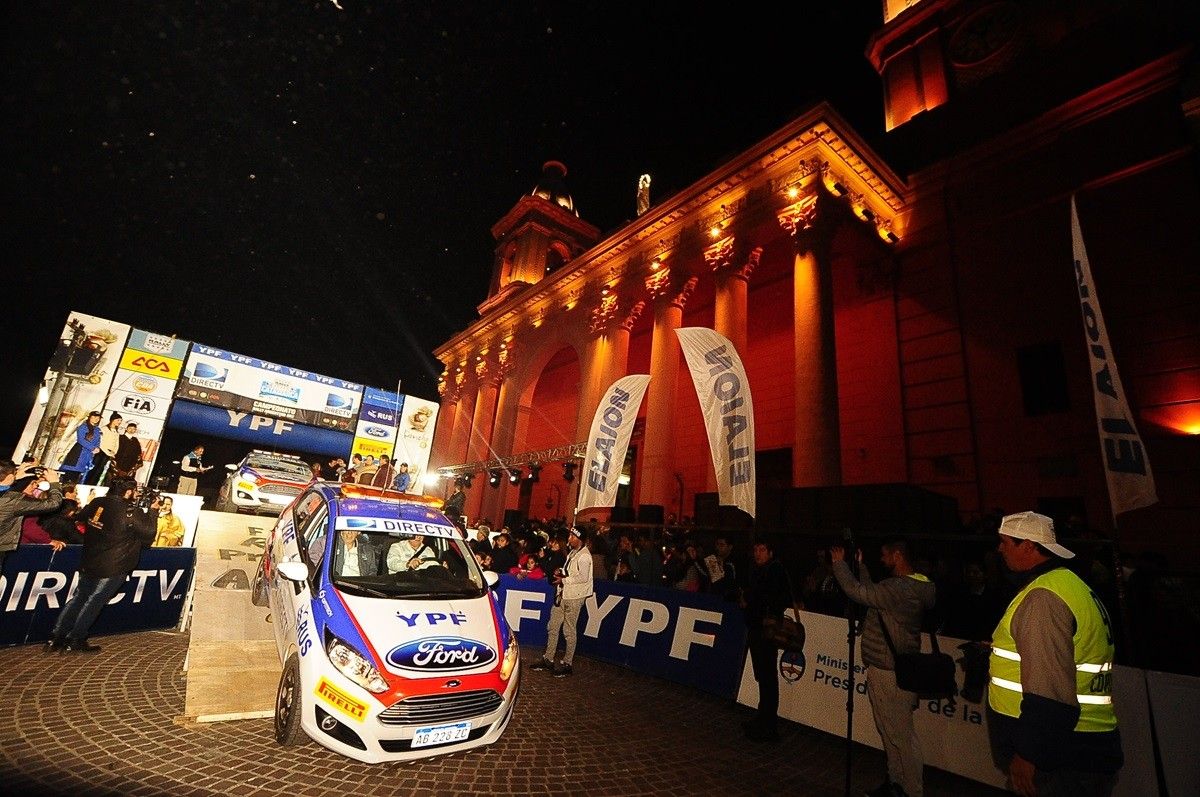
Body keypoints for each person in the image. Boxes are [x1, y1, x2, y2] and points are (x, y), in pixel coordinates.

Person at [987, 512, 1122, 797]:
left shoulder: (1043, 598)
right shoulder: (1070, 585)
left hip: (1060, 760)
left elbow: (1049, 690)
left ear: (1027, 546)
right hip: (1082, 749)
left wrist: (1029, 753)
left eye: (1005, 542)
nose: (999, 549)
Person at [831, 538, 936, 797]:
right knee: (889, 732)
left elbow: (858, 592)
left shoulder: (900, 589)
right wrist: (862, 568)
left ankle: (911, 790)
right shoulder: (908, 587)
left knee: (901, 736)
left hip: (890, 672)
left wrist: (839, 565)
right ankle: (896, 784)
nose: (882, 559)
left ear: (898, 555)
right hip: (890, 668)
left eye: (885, 554)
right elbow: (874, 596)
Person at [47, 478, 159, 654]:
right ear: (128, 492)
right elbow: (149, 534)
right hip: (114, 564)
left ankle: (56, 637)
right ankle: (75, 639)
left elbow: (80, 517)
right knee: (94, 601)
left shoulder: (98, 502)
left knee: (79, 597)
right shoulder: (131, 511)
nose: (137, 494)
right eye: (135, 491)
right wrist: (153, 512)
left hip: (90, 559)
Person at [739, 539, 792, 742]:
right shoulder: (760, 570)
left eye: (762, 550)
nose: (758, 553)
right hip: (758, 628)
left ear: (770, 552)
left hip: (766, 631)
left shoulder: (774, 570)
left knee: (768, 677)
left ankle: (769, 726)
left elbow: (769, 597)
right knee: (763, 676)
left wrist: (750, 600)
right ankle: (762, 718)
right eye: (755, 550)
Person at [531, 526, 593, 677]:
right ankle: (548, 658)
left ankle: (567, 663)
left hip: (574, 597)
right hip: (563, 594)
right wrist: (561, 572)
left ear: (579, 539)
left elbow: (583, 577)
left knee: (569, 630)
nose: (569, 539)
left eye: (572, 536)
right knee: (553, 626)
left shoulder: (584, 556)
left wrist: (563, 580)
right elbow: (572, 572)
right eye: (570, 535)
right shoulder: (573, 553)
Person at [0, 461, 65, 571]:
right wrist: (54, 483)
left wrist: (15, 478)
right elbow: (53, 503)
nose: (36, 486)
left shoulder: (9, 497)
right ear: (10, 477)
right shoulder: (13, 501)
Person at [58, 411, 103, 481]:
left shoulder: (97, 430)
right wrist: (93, 448)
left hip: (88, 454)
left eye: (98, 417)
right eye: (94, 417)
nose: (96, 419)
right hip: (79, 453)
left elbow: (98, 440)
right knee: (70, 473)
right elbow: (81, 440)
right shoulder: (83, 427)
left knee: (78, 476)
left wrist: (97, 448)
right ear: (90, 417)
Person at [84, 412, 122, 485]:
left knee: (101, 471)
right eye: (118, 420)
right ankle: (87, 484)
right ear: (113, 420)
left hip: (109, 454)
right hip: (101, 452)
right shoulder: (104, 429)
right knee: (94, 470)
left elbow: (117, 443)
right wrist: (107, 452)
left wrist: (114, 452)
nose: (119, 422)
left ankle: (94, 485)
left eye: (120, 421)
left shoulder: (116, 432)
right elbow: (100, 442)